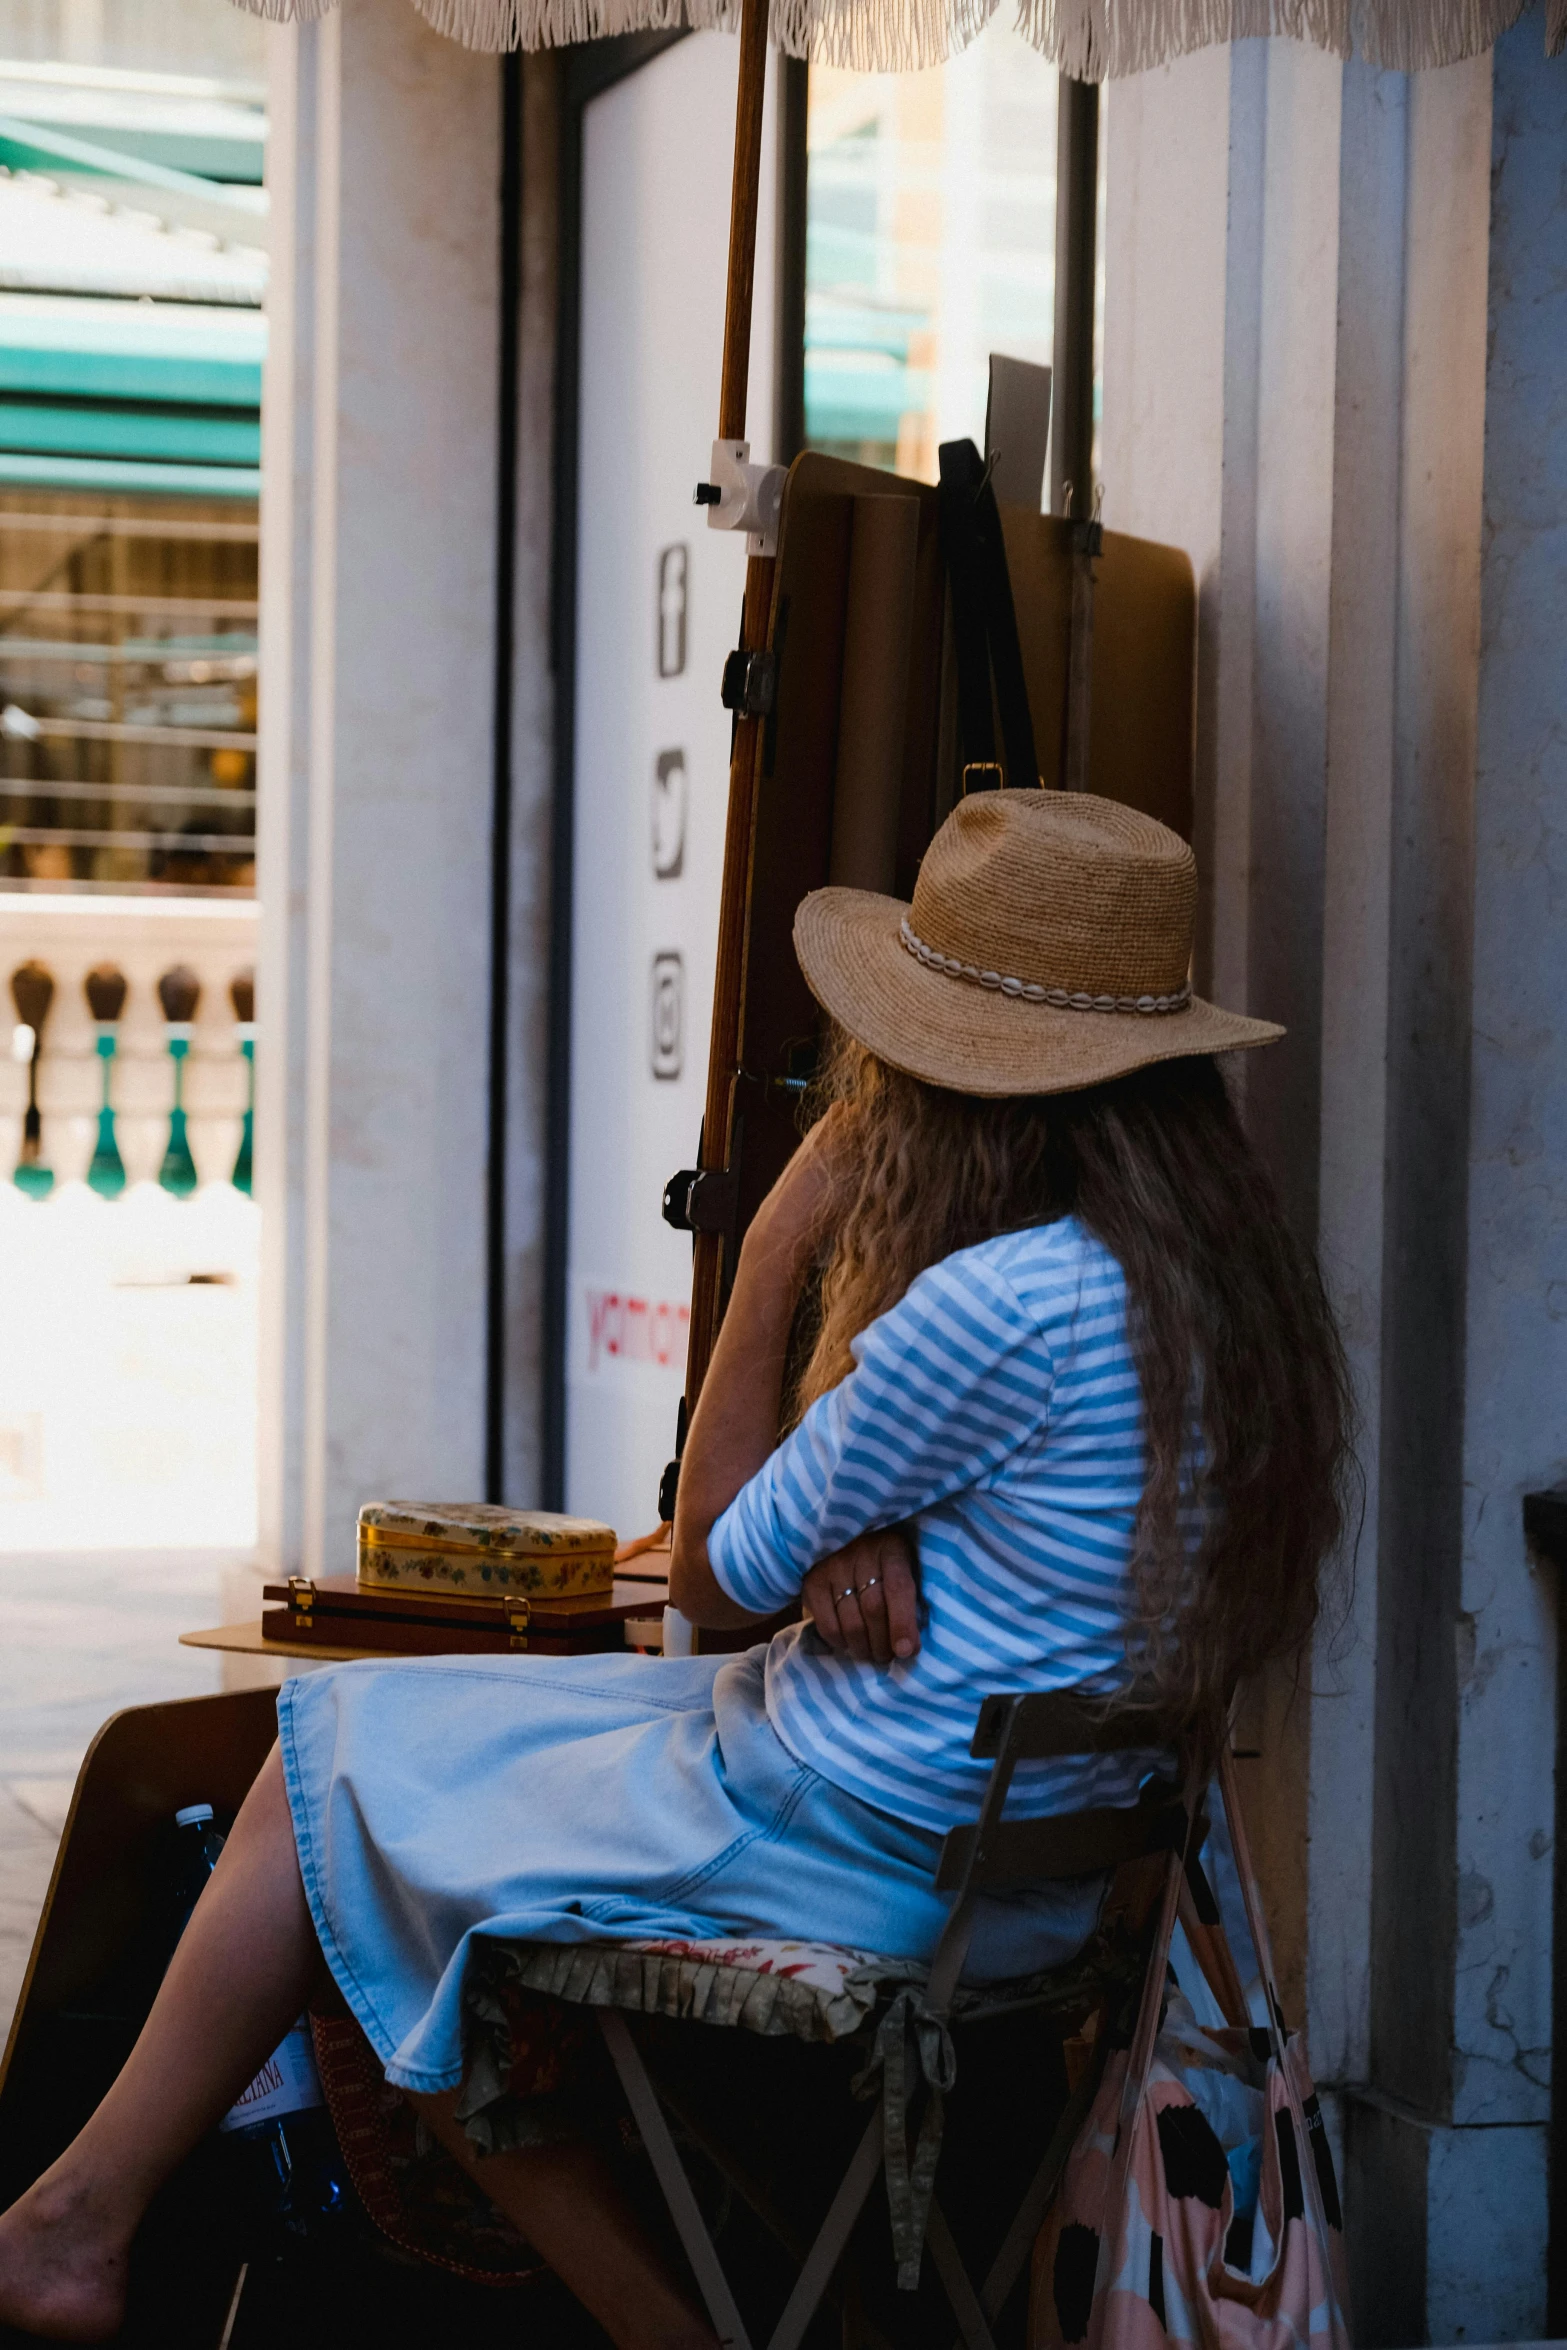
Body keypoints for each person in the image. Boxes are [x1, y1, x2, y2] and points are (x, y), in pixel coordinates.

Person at [0, 791, 1351, 2347]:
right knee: (415, 1818)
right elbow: (982, 1530)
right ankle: (104, 2221)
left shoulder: (999, 1301)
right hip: (1024, 1886)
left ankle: (76, 2221)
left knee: (329, 1755)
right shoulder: (1206, 1294)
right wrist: (869, 1525)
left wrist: (781, 1229)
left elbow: (710, 1568)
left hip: (852, 1842)